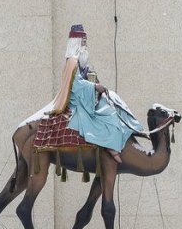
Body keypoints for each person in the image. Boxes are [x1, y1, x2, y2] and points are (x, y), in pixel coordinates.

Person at [47, 24, 144, 163]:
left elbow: (84, 78)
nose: (85, 46)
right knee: (109, 115)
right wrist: (94, 86)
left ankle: (131, 127)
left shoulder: (80, 62)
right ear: (77, 43)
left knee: (112, 99)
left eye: (85, 42)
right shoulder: (72, 62)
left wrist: (93, 79)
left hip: (86, 96)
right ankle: (111, 145)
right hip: (77, 101)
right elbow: (75, 84)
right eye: (83, 42)